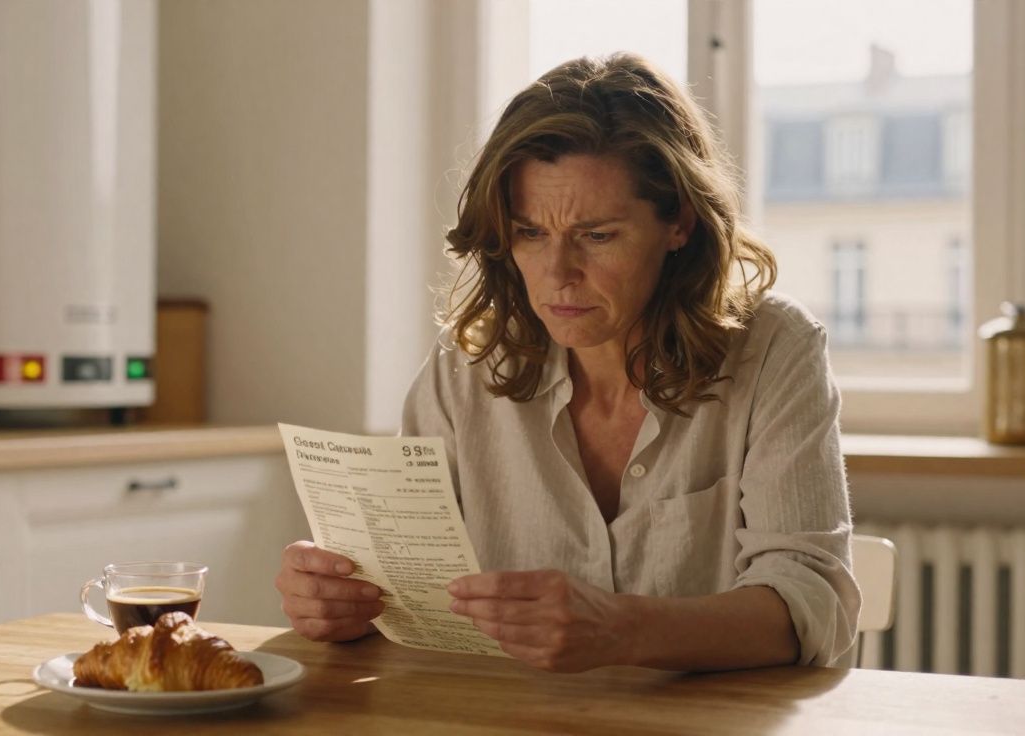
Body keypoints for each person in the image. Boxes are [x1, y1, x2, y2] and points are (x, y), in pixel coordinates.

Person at [275, 53, 860, 671]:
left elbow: (812, 603)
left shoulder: (772, 348)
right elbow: (409, 599)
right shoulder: (466, 369)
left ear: (679, 223)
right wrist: (339, 602)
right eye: (530, 234)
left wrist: (622, 629)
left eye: (597, 235)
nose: (557, 276)